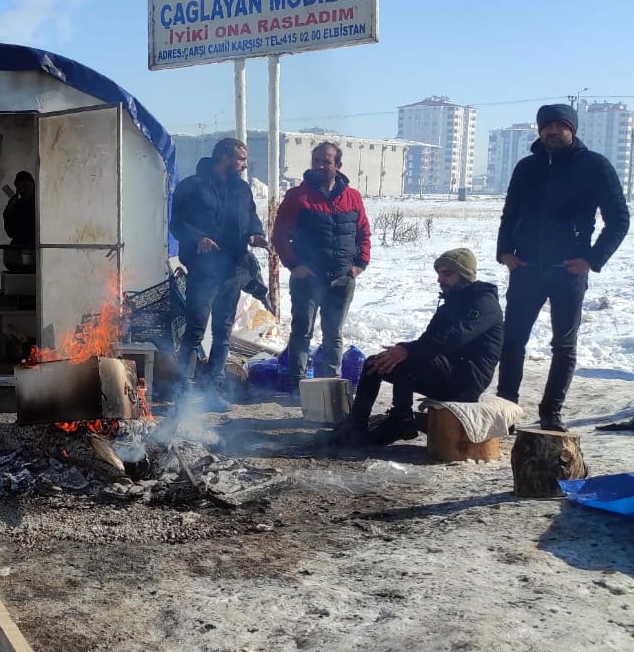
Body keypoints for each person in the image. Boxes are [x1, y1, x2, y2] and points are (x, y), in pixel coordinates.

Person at [496, 103, 630, 432]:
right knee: (512, 341)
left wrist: (592, 259)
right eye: (546, 126)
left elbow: (619, 220)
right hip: (526, 268)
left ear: (573, 128)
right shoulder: (527, 167)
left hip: (568, 271)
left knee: (564, 345)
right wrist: (504, 252)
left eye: (559, 125)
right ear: (539, 130)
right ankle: (506, 410)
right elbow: (509, 213)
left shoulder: (596, 166)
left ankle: (550, 412)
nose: (552, 131)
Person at [336, 249, 504, 446]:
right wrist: (403, 349)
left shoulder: (484, 302)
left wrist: (408, 351)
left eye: (447, 274)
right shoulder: (449, 305)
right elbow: (428, 340)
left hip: (467, 379)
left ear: (465, 274)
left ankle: (402, 420)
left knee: (408, 359)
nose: (440, 279)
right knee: (376, 363)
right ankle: (355, 427)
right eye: (439, 274)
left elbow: (455, 338)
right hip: (445, 370)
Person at [169, 137, 267, 412]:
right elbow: (176, 222)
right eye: (241, 159)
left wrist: (256, 235)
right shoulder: (193, 186)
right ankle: (182, 392)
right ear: (224, 158)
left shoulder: (243, 189)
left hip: (233, 270)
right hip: (204, 269)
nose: (245, 165)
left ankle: (213, 390)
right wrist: (198, 238)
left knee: (223, 333)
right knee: (195, 330)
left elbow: (252, 218)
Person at [272, 142, 371, 400]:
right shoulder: (298, 196)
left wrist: (359, 265)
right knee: (302, 331)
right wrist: (295, 265)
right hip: (308, 278)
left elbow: (363, 234)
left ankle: (329, 388)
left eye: (325, 161)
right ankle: (298, 387)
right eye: (316, 160)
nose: (319, 165)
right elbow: (280, 236)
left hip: (341, 279)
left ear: (337, 165)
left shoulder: (353, 197)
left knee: (333, 334)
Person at [3, 170, 36, 247]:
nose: (22, 190)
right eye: (19, 187)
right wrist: (10, 210)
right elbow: (11, 232)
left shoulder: (42, 203)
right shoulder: (18, 205)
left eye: (25, 186)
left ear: (33, 185)